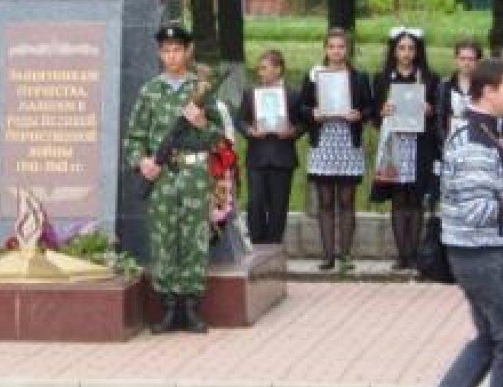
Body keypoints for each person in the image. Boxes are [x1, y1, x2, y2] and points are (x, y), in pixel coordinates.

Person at [435, 59, 503, 387]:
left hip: (477, 255)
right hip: (484, 257)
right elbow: (475, 211)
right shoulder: (474, 143)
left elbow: (493, 188)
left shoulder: (483, 132)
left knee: (489, 341)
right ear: (487, 92)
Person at [124, 24, 222, 334]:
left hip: (193, 174)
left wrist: (203, 121)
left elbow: (218, 139)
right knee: (163, 240)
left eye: (177, 50)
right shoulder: (151, 90)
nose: (171, 56)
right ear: (159, 54)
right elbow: (134, 137)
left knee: (193, 239)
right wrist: (142, 162)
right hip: (163, 175)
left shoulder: (202, 90)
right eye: (166, 51)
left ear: (188, 51)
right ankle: (168, 307)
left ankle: (191, 307)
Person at [299, 27, 373, 272]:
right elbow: (302, 105)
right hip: (323, 142)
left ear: (347, 49)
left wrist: (359, 115)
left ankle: (346, 255)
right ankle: (328, 255)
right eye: (331, 47)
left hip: (347, 142)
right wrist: (313, 113)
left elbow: (370, 108)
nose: (336, 51)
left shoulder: (358, 77)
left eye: (341, 47)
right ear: (325, 49)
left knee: (346, 199)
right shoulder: (314, 75)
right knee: (326, 200)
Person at [370, 28, 440, 270]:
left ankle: (415, 253)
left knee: (416, 197)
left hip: (419, 144)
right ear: (394, 51)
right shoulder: (382, 78)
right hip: (394, 143)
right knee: (398, 198)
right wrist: (382, 112)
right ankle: (403, 254)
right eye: (401, 48)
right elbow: (373, 116)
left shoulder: (429, 78)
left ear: (418, 51)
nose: (406, 53)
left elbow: (437, 115)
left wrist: (430, 111)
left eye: (411, 48)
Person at [237, 50, 302, 245]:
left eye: (265, 68)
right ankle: (256, 243)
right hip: (257, 156)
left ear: (278, 69)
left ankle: (274, 245)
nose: (260, 73)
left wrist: (293, 132)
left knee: (278, 204)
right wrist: (249, 130)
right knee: (255, 202)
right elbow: (240, 119)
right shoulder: (251, 93)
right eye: (259, 69)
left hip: (282, 157)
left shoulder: (293, 94)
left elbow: (303, 123)